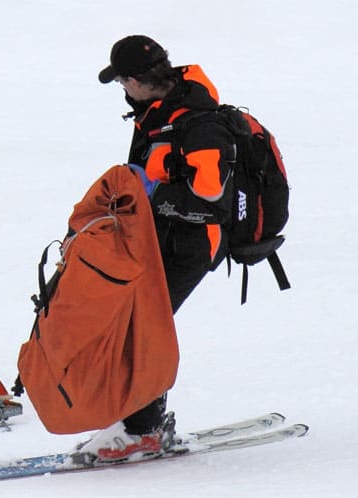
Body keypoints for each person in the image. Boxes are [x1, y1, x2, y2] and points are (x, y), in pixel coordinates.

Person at [81, 35, 234, 461]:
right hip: (160, 239)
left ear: (137, 80)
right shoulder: (155, 113)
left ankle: (141, 432)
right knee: (136, 323)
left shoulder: (198, 123)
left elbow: (211, 203)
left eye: (123, 83)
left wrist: (152, 196)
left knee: (144, 327)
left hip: (193, 244)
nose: (123, 91)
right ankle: (141, 424)